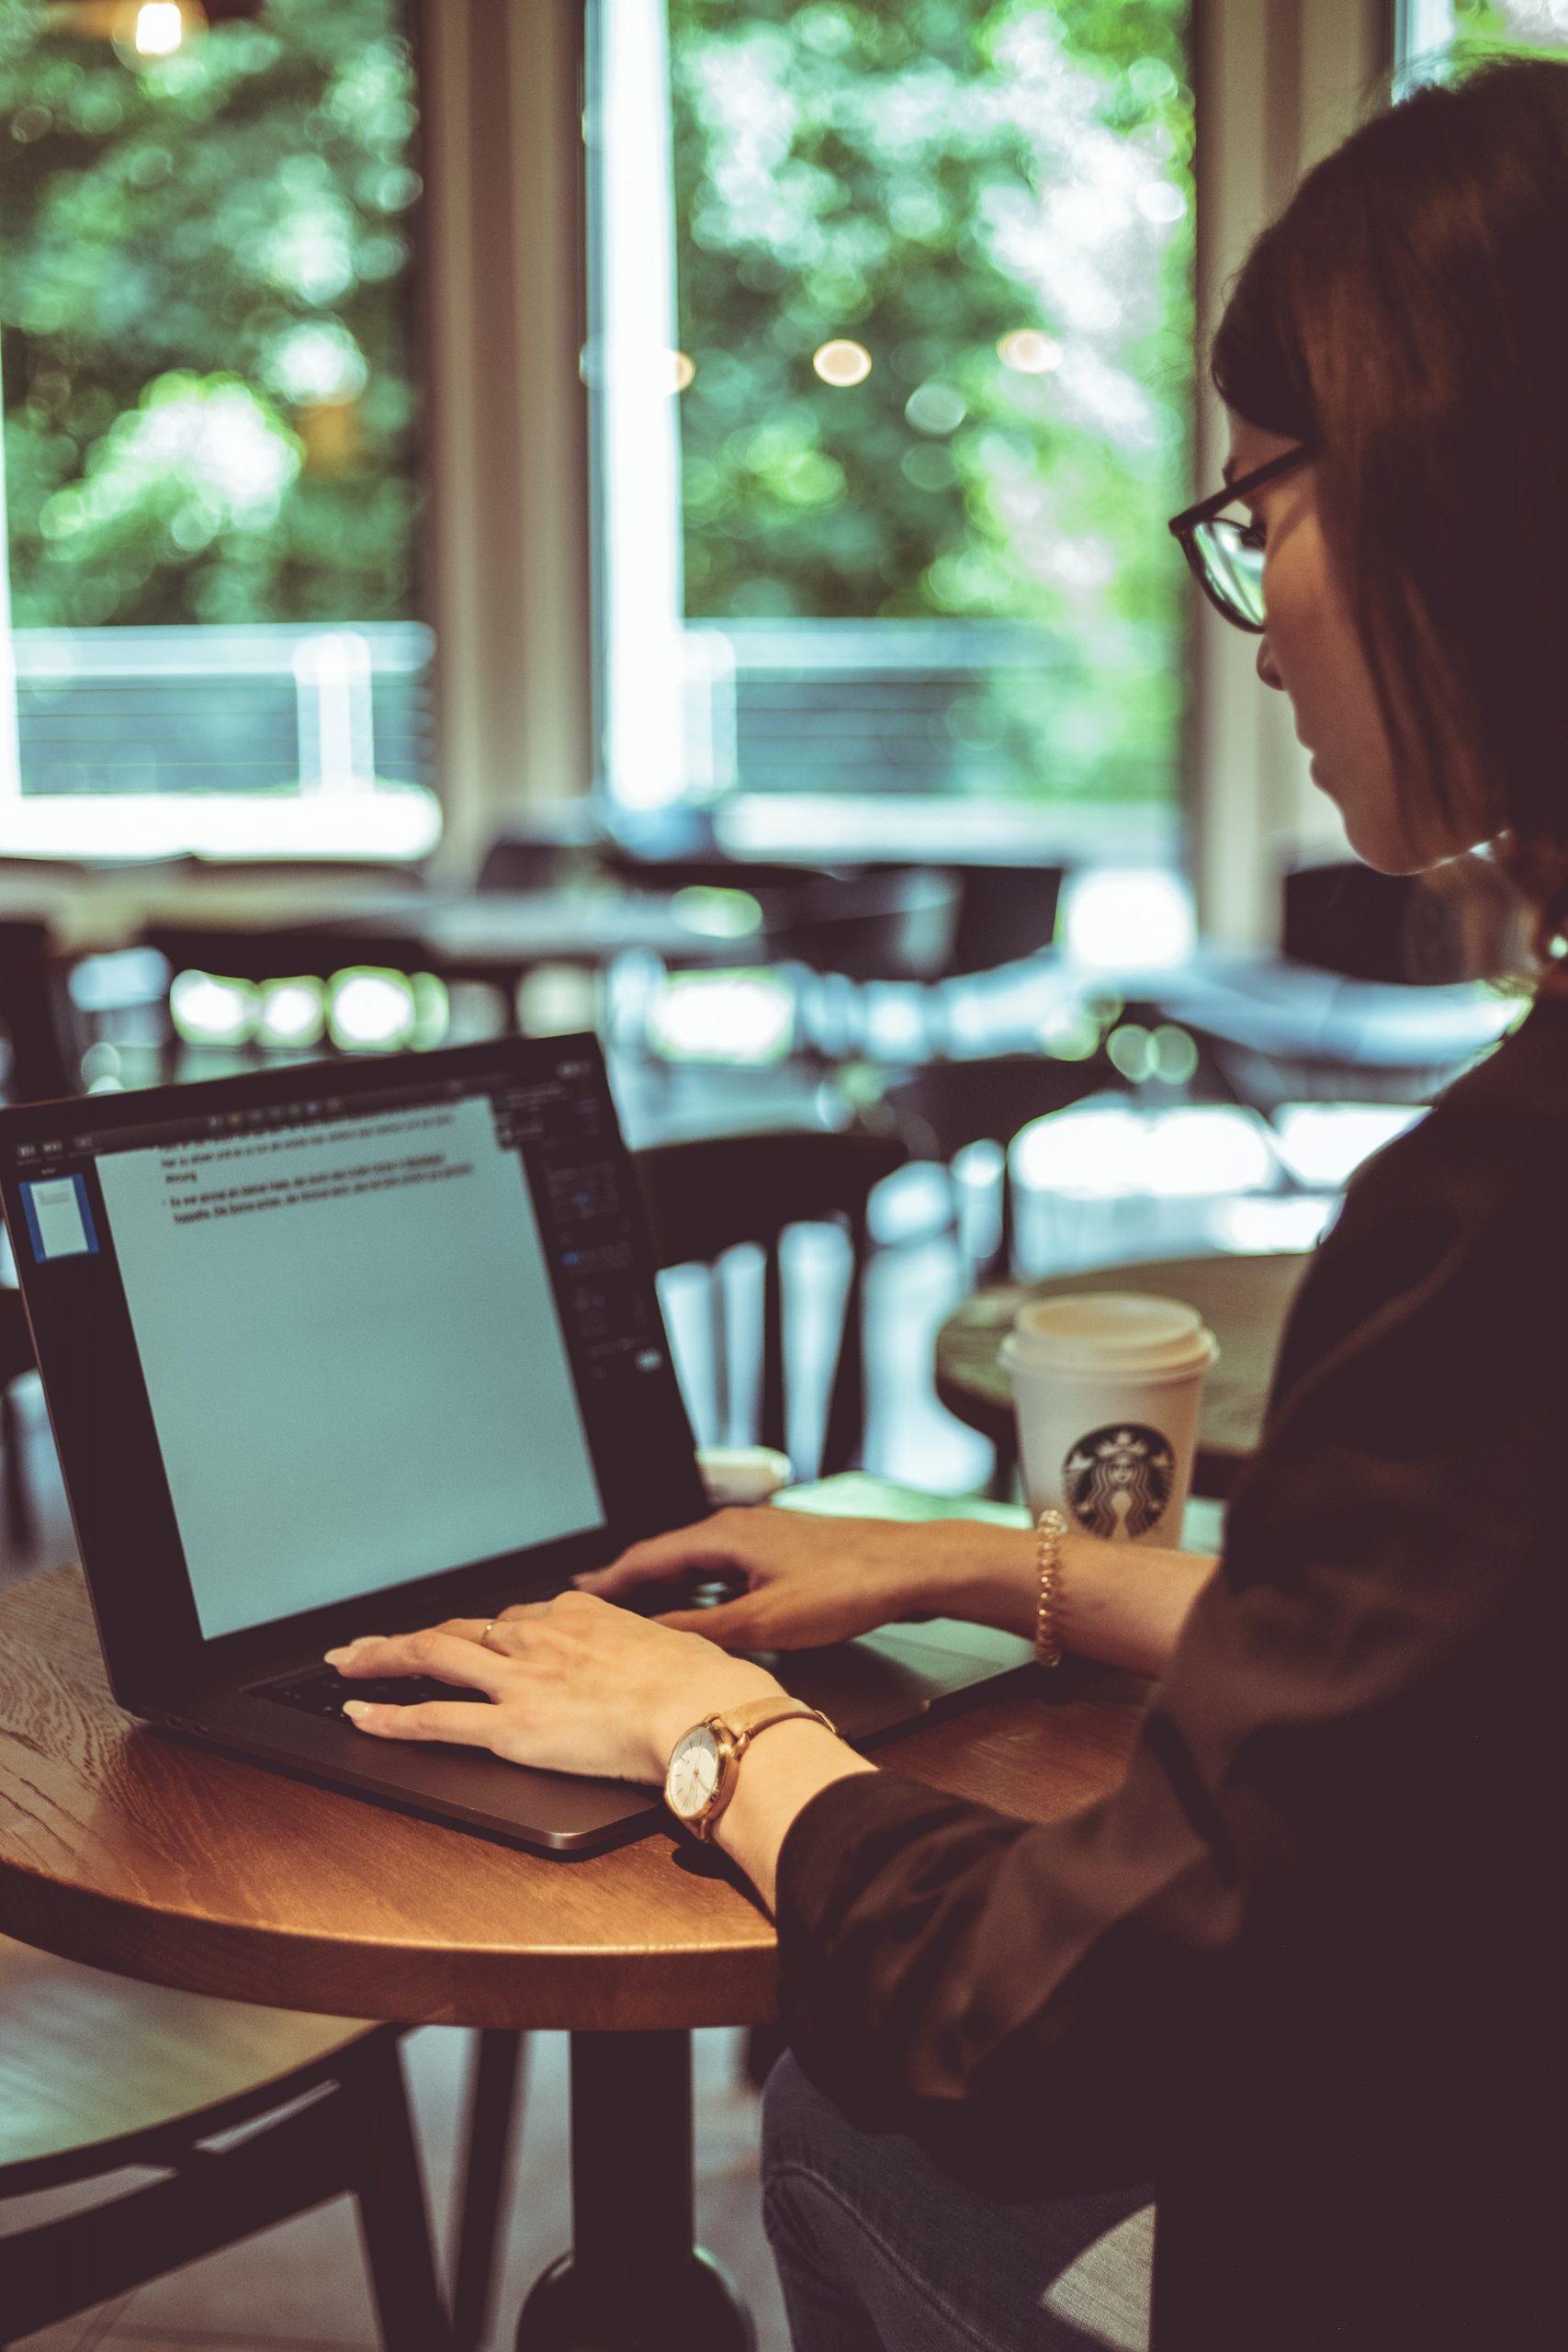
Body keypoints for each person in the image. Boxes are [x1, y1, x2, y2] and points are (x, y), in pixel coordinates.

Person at [325, 53, 1567, 2351]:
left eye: (1256, 507)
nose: (1255, 614)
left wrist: (706, 1736)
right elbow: (1462, 1700)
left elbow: (1043, 2018)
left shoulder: (1503, 1214)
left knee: (851, 2120)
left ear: (1449, 499)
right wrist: (1002, 1565)